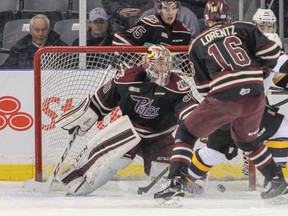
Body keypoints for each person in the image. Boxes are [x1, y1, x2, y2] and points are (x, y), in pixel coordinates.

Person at [154, 0, 286, 207]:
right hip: (255, 96)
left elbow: (204, 88)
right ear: (229, 16)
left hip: (225, 98)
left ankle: (175, 182)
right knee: (246, 140)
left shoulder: (197, 43)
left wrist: (214, 110)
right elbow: (273, 55)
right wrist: (263, 72)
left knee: (187, 133)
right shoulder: (245, 27)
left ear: (206, 19)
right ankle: (276, 180)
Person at [54, 45, 198, 196]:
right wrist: (85, 118)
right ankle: (78, 180)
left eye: (167, 64)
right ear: (148, 63)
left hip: (160, 137)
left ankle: (176, 184)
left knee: (161, 174)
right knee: (117, 160)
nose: (164, 68)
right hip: (130, 131)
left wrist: (199, 125)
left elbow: (189, 112)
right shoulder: (126, 78)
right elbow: (100, 103)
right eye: (160, 63)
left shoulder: (177, 86)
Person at [112, 0, 192, 46]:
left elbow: (185, 63)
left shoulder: (183, 31)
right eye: (166, 9)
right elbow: (119, 39)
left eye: (173, 9)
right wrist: (134, 62)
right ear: (159, 10)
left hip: (166, 71)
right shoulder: (150, 24)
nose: (170, 13)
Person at [1, 14, 67, 69]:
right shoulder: (19, 48)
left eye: (44, 30)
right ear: (30, 30)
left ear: (49, 29)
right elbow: (6, 69)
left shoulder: (61, 48)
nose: (40, 34)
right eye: (37, 30)